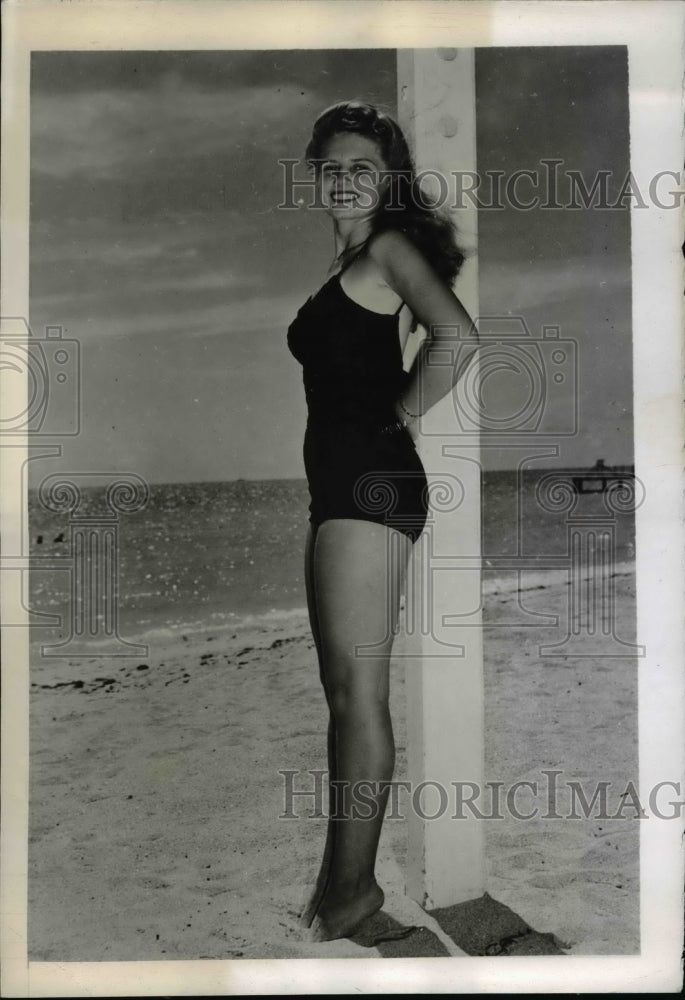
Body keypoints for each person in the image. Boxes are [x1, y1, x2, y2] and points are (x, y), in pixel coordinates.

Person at [286, 101, 479, 942]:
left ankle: (355, 895)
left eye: (361, 164)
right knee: (343, 696)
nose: (343, 177)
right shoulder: (351, 260)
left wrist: (399, 410)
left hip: (367, 484)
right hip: (339, 488)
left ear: (388, 176)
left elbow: (458, 338)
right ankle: (340, 886)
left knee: (357, 698)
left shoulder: (389, 249)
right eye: (330, 164)